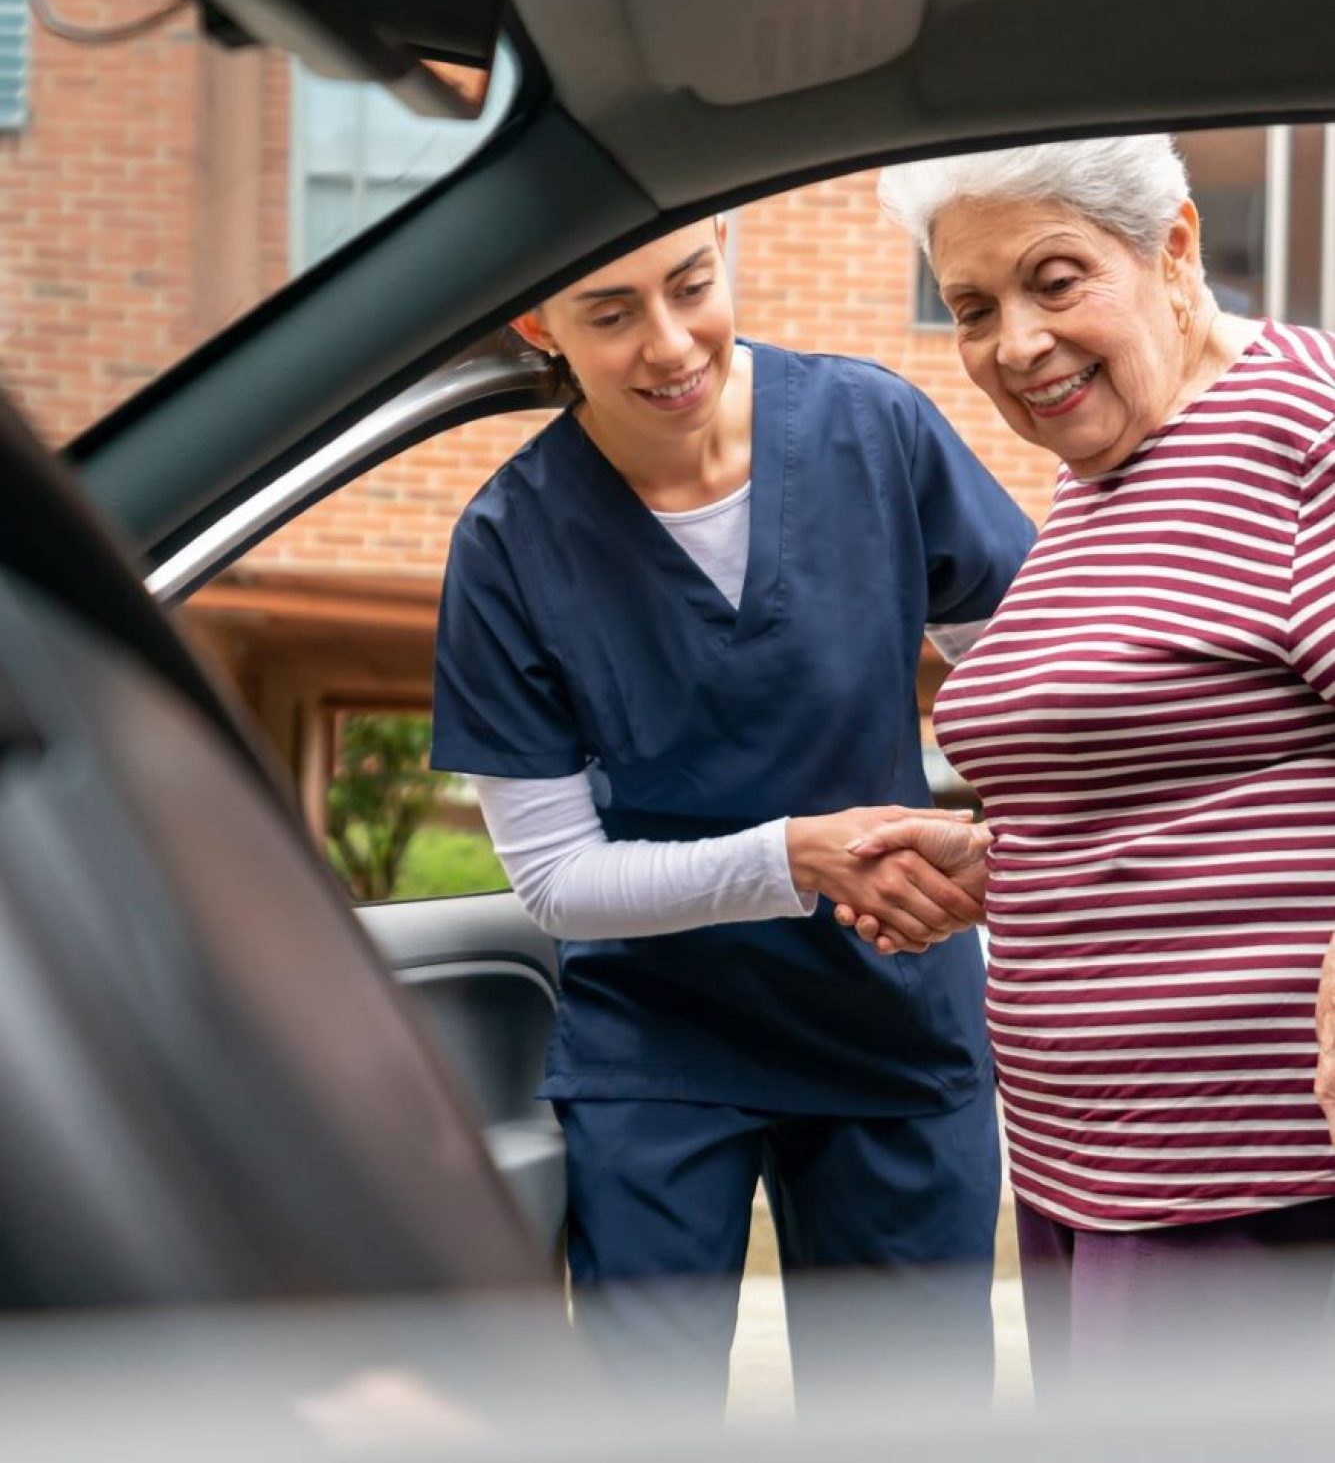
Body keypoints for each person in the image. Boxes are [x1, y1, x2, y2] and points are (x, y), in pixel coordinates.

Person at [429, 215, 1034, 1411]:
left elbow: (1041, 695)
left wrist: (993, 848)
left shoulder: (874, 432)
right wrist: (795, 859)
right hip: (660, 1041)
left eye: (691, 285)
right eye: (610, 314)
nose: (670, 344)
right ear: (537, 324)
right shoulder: (508, 545)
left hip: (891, 1024)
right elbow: (556, 881)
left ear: (721, 245)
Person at [855, 136, 1335, 1395]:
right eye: (972, 308)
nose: (1016, 342)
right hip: (1089, 1166)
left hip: (1250, 1172)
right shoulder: (1100, 478)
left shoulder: (1303, 425)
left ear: (1174, 247)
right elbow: (1198, 759)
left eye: (1055, 280)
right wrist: (1005, 850)